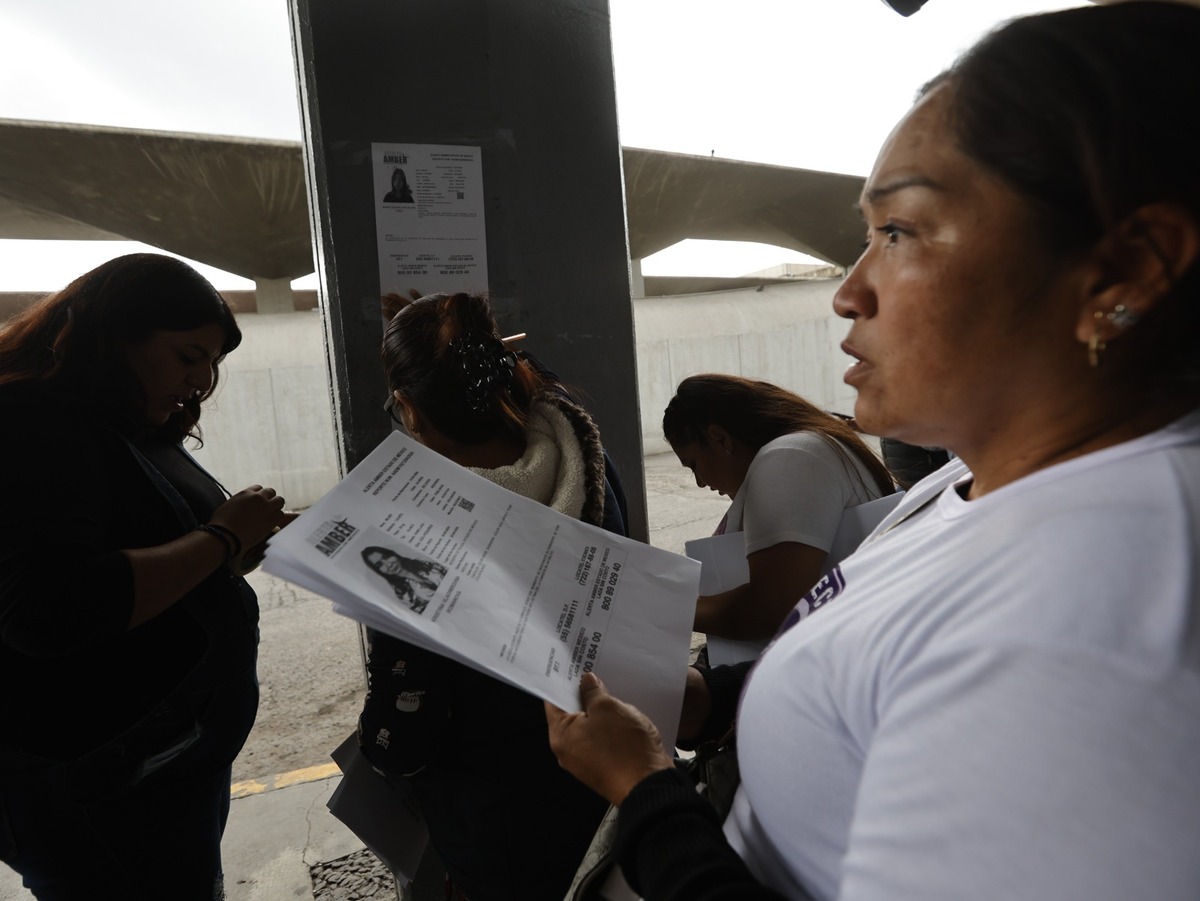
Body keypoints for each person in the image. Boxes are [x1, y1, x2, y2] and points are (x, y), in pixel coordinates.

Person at [544, 4, 1200, 900]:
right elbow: (864, 678)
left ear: (1126, 274)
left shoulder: (1088, 628)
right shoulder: (980, 479)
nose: (849, 293)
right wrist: (702, 709)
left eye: (899, 231)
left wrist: (647, 792)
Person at [0, 253, 292, 900]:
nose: (201, 380)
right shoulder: (31, 421)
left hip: (164, 768)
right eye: (188, 356)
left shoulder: (124, 415)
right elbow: (50, 608)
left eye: (213, 362)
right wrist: (222, 537)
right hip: (99, 786)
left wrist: (247, 541)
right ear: (115, 334)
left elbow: (162, 550)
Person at [357, 291, 622, 900]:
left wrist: (378, 747)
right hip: (598, 768)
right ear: (507, 372)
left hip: (496, 821)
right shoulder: (586, 457)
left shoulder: (416, 533)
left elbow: (405, 733)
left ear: (408, 410)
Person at [663, 374, 894, 641]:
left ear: (721, 440)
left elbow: (774, 609)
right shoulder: (803, 448)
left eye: (694, 465)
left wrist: (668, 608)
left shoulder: (789, 458)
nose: (700, 482)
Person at [361, 545, 447, 615]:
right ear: (379, 571)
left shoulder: (423, 562)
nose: (389, 564)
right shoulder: (402, 593)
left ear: (393, 554)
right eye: (379, 564)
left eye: (386, 557)